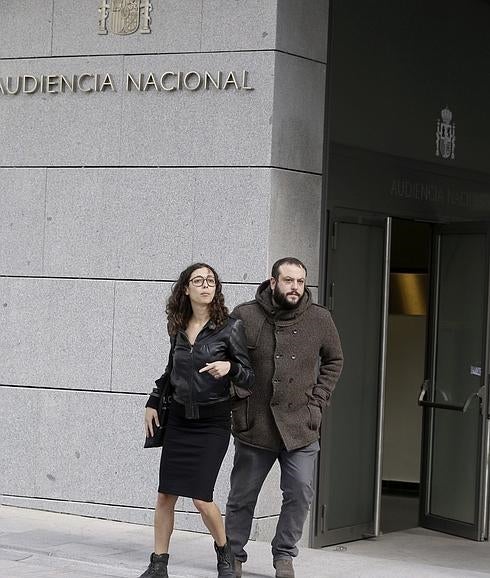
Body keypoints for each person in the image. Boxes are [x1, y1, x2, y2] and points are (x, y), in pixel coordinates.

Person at [225, 257, 343, 578]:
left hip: (301, 426)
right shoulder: (245, 314)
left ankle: (284, 554)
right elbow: (226, 358)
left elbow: (334, 360)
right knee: (242, 495)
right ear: (273, 281)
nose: (295, 287)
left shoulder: (320, 319)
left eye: (300, 282)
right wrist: (238, 400)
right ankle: (232, 554)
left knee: (301, 492)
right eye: (288, 280)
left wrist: (317, 404)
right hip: (255, 424)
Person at [140, 263, 254, 578]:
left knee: (202, 499)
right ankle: (158, 564)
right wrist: (152, 401)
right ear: (186, 288)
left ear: (216, 289)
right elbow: (171, 371)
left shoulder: (230, 327)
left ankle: (225, 553)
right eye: (198, 280)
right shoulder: (178, 326)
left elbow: (249, 376)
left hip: (212, 423)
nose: (205, 285)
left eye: (211, 281)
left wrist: (229, 367)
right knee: (165, 495)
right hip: (178, 420)